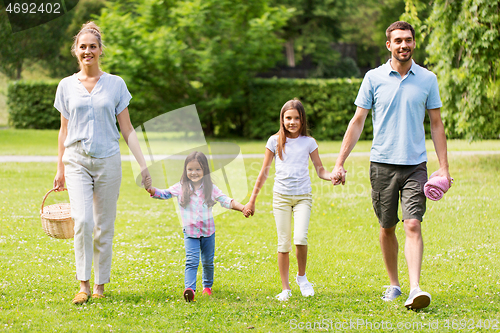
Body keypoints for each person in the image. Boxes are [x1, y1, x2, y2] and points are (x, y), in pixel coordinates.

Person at [331, 21, 452, 310]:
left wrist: (444, 167)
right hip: (381, 165)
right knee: (387, 226)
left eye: (408, 40)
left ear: (413, 43)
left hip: (415, 165)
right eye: (398, 40)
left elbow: (436, 124)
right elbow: (358, 121)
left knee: (412, 223)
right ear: (389, 45)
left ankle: (415, 288)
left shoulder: (427, 79)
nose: (403, 45)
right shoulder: (373, 78)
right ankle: (394, 285)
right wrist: (339, 162)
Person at [53, 22, 151, 305]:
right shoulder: (65, 86)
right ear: (75, 50)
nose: (87, 51)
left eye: (92, 47)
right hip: (76, 161)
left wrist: (143, 167)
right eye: (82, 47)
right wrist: (59, 167)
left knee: (104, 226)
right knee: (83, 221)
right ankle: (82, 285)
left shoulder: (116, 84)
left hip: (108, 160)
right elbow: (63, 129)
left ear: (100, 50)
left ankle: (99, 284)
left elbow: (128, 129)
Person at [243, 99, 332, 301]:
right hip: (281, 198)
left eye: (296, 118)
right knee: (283, 244)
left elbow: (320, 170)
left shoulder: (309, 142)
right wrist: (252, 200)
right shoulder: (274, 141)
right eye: (288, 118)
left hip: (303, 197)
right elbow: (263, 172)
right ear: (282, 119)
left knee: (300, 238)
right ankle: (285, 288)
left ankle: (302, 278)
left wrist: (332, 175)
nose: (292, 122)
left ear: (302, 120)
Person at [145, 151, 247, 302]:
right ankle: (190, 289)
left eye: (198, 169)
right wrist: (153, 190)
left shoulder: (210, 188)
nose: (194, 173)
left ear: (205, 170)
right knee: (191, 261)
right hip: (190, 233)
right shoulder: (181, 187)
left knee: (207, 262)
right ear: (185, 171)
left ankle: (207, 287)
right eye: (190, 169)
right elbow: (165, 193)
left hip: (208, 233)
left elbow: (226, 200)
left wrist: (242, 208)